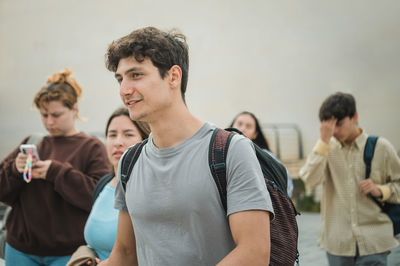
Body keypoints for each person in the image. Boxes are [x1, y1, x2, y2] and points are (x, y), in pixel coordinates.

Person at [98, 26, 274, 266]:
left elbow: (254, 253)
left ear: (173, 76)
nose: (124, 90)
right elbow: (125, 255)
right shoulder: (129, 162)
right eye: (120, 78)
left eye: (136, 75)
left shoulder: (231, 150)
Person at [0, 68, 109, 266]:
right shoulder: (33, 142)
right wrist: (15, 170)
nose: (49, 122)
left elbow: (99, 198)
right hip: (20, 249)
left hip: (69, 253)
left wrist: (57, 172)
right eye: (44, 115)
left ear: (74, 108)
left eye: (56, 114)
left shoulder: (92, 147)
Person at [299, 92, 400, 266]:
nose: (335, 131)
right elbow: (309, 179)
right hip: (337, 244)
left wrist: (381, 190)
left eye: (339, 124)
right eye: (330, 127)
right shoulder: (326, 149)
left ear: (354, 117)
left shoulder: (381, 147)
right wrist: (323, 140)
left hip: (374, 240)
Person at [82, 107, 150, 261]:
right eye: (112, 135)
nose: (118, 142)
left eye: (128, 134)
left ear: (144, 140)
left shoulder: (148, 190)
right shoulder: (103, 184)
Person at [230, 111, 294, 197]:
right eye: (239, 124)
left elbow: (287, 185)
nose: (242, 129)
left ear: (255, 134)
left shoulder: (265, 157)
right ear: (231, 127)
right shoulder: (219, 152)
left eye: (248, 126)